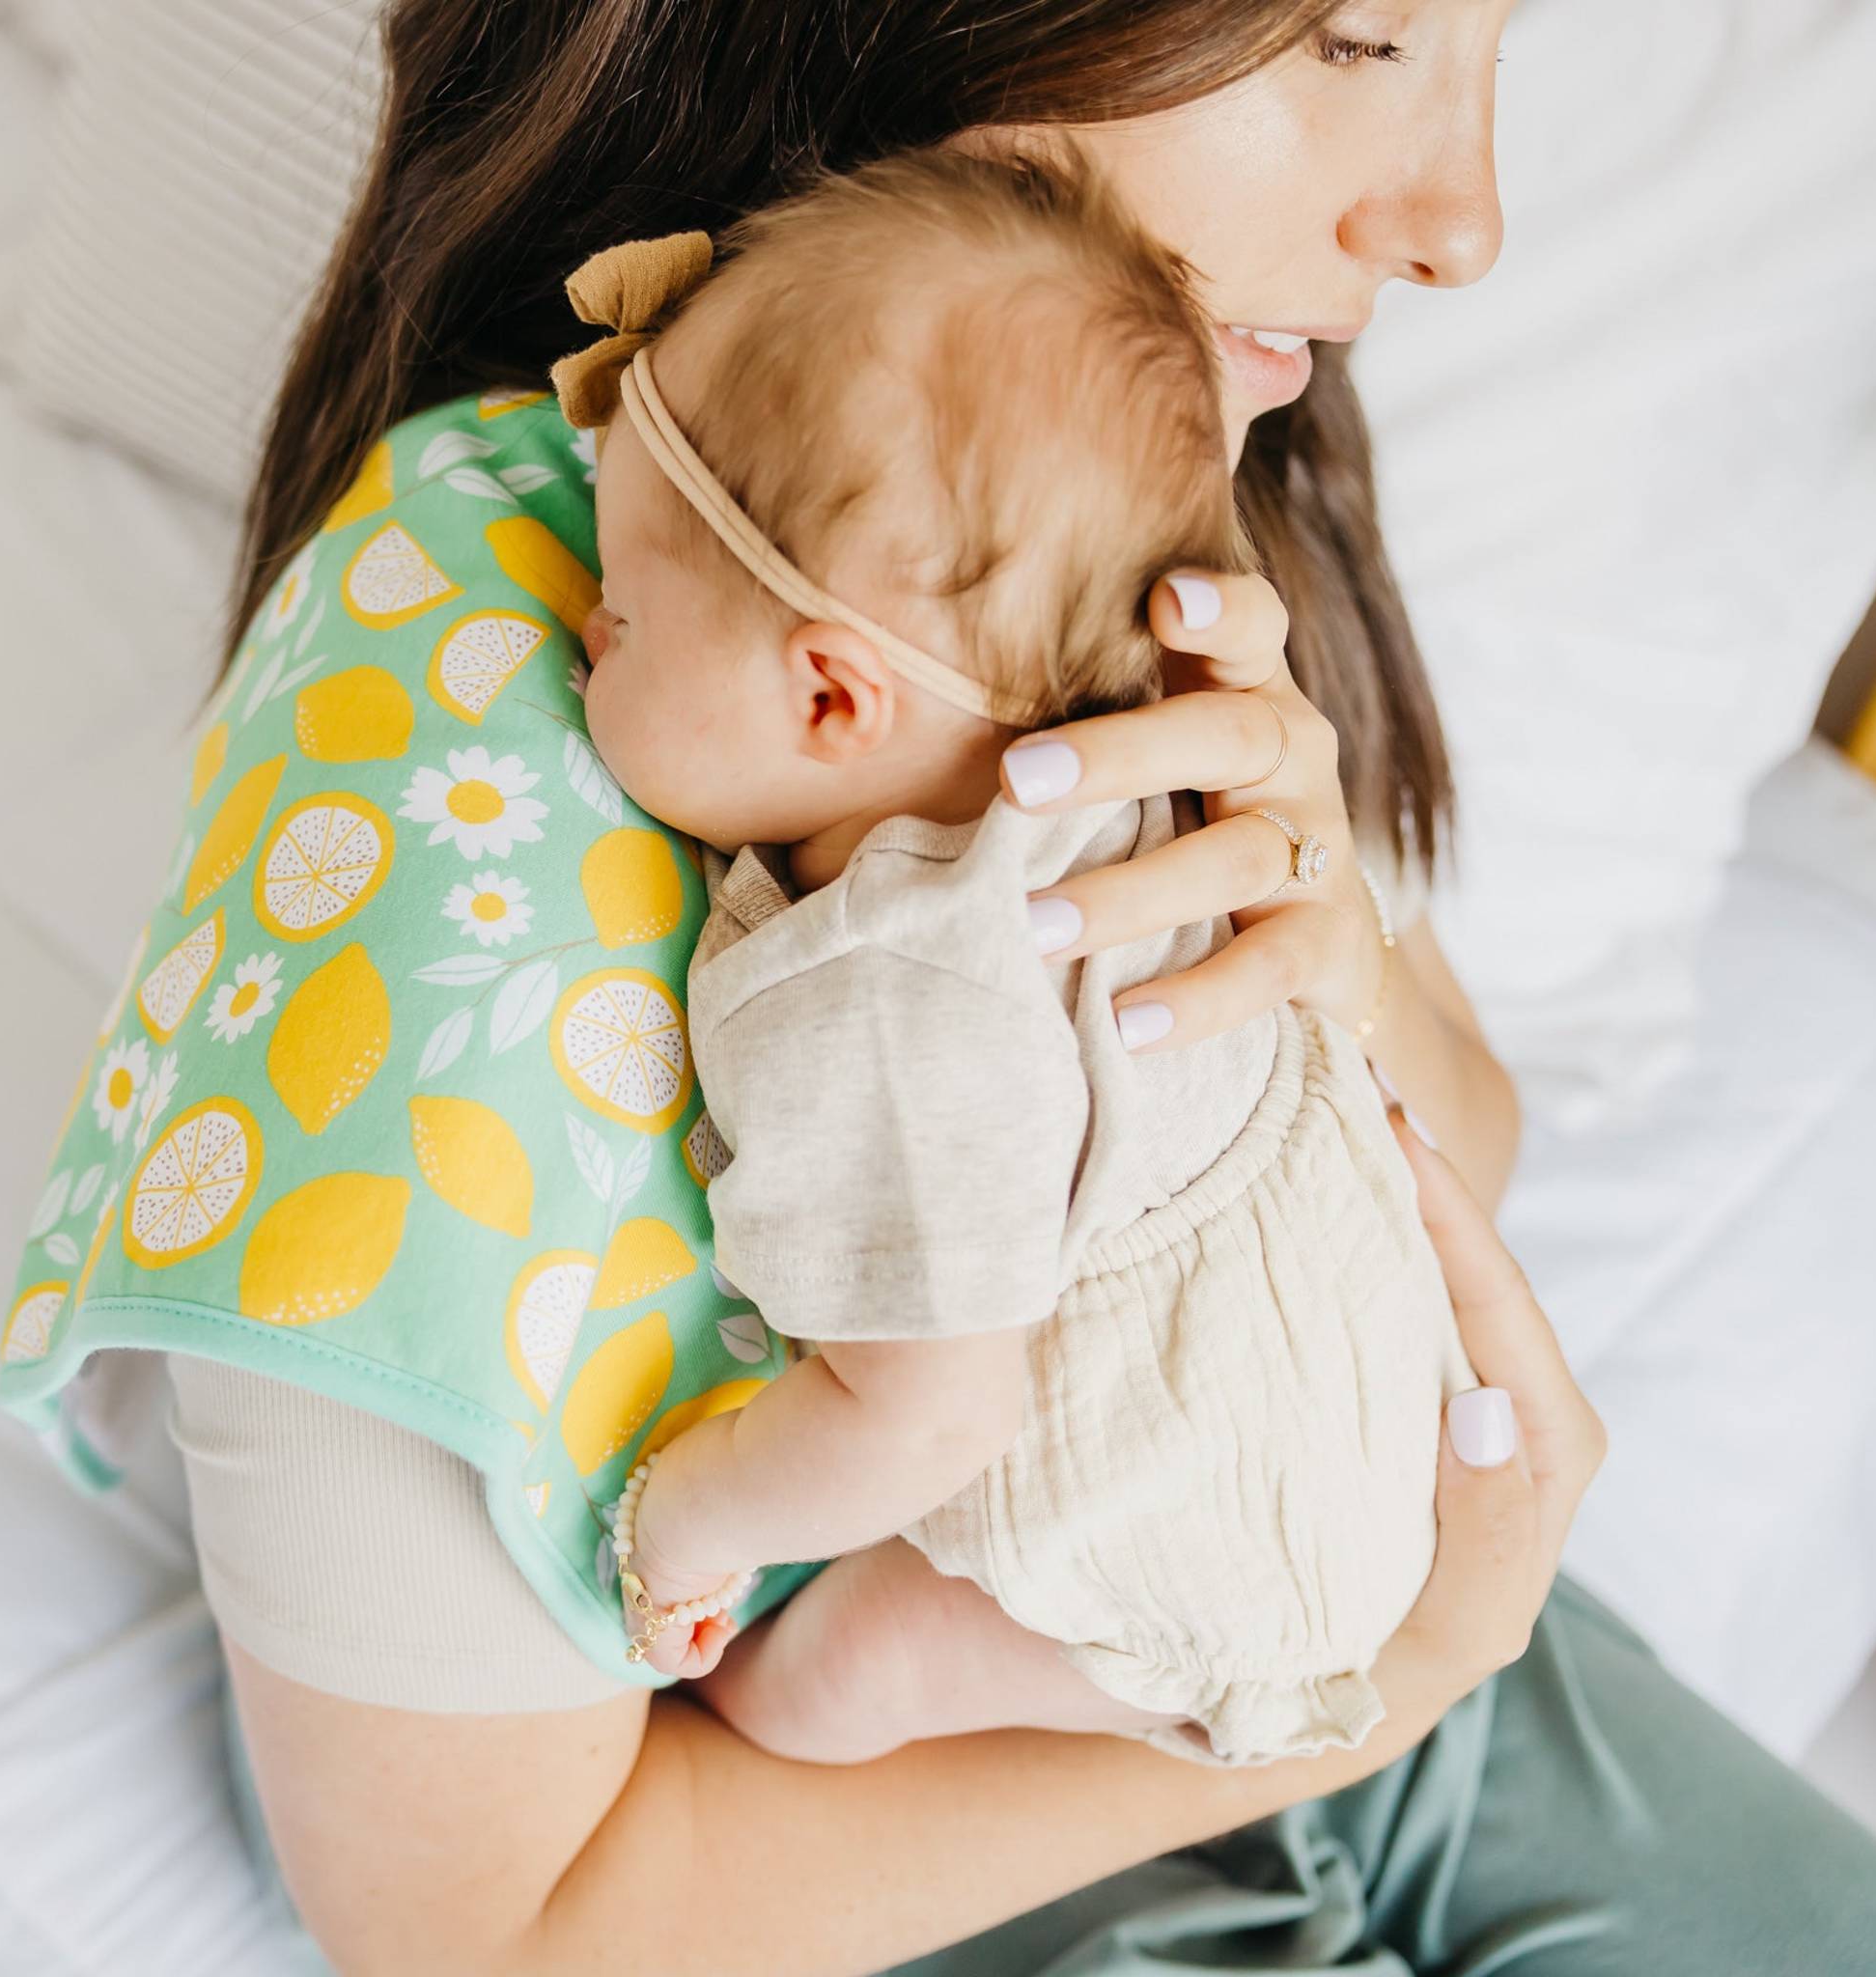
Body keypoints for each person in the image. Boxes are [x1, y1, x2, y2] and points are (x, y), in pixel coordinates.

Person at [3, 4, 1876, 1972]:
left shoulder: (1046, 467)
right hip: (815, 1803)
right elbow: (498, 1931)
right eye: (1355, 37)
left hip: (1242, 1555)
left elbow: (1457, 1147)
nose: (1461, 219)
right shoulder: (495, 749)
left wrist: (1326, 924)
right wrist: (1380, 1678)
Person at [557, 144, 1475, 1769]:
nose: (577, 632)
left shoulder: (886, 990)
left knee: (801, 1693)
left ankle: (1187, 1696)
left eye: (619, 611)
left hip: (1203, 1520)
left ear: (835, 701)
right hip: (1361, 1397)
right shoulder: (1134, 738)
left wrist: (682, 1521)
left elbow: (927, 1413)